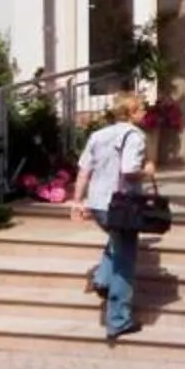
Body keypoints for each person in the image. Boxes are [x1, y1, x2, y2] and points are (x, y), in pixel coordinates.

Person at [73, 92, 154, 343]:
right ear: (131, 112)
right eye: (141, 109)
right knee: (125, 261)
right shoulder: (135, 136)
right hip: (121, 204)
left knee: (116, 240)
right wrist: (147, 172)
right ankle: (118, 320)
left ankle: (101, 279)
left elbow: (84, 171)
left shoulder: (98, 135)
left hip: (98, 203)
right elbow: (129, 171)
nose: (145, 113)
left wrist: (77, 201)